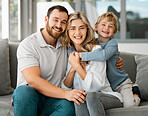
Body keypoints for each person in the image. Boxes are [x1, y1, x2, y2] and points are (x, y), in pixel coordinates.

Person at [12, 5, 87, 116]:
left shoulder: (66, 43)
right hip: (30, 97)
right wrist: (66, 93)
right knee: (23, 91)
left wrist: (114, 58)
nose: (58, 25)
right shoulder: (29, 44)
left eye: (63, 22)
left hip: (53, 99)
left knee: (69, 105)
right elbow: (33, 81)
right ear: (46, 19)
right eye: (55, 20)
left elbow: (86, 41)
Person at [61, 11, 123, 116]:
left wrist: (77, 66)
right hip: (84, 97)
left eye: (81, 28)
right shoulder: (69, 53)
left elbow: (95, 88)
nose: (78, 32)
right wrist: (73, 69)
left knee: (90, 96)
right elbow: (65, 88)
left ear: (87, 30)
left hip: (106, 96)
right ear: (67, 31)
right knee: (78, 96)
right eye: (73, 28)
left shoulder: (96, 51)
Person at [79, 12, 141, 108]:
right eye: (103, 24)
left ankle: (136, 94)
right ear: (96, 27)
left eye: (110, 26)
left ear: (115, 31)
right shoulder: (92, 43)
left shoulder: (112, 44)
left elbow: (103, 56)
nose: (106, 28)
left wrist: (81, 56)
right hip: (107, 87)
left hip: (121, 83)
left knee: (129, 106)